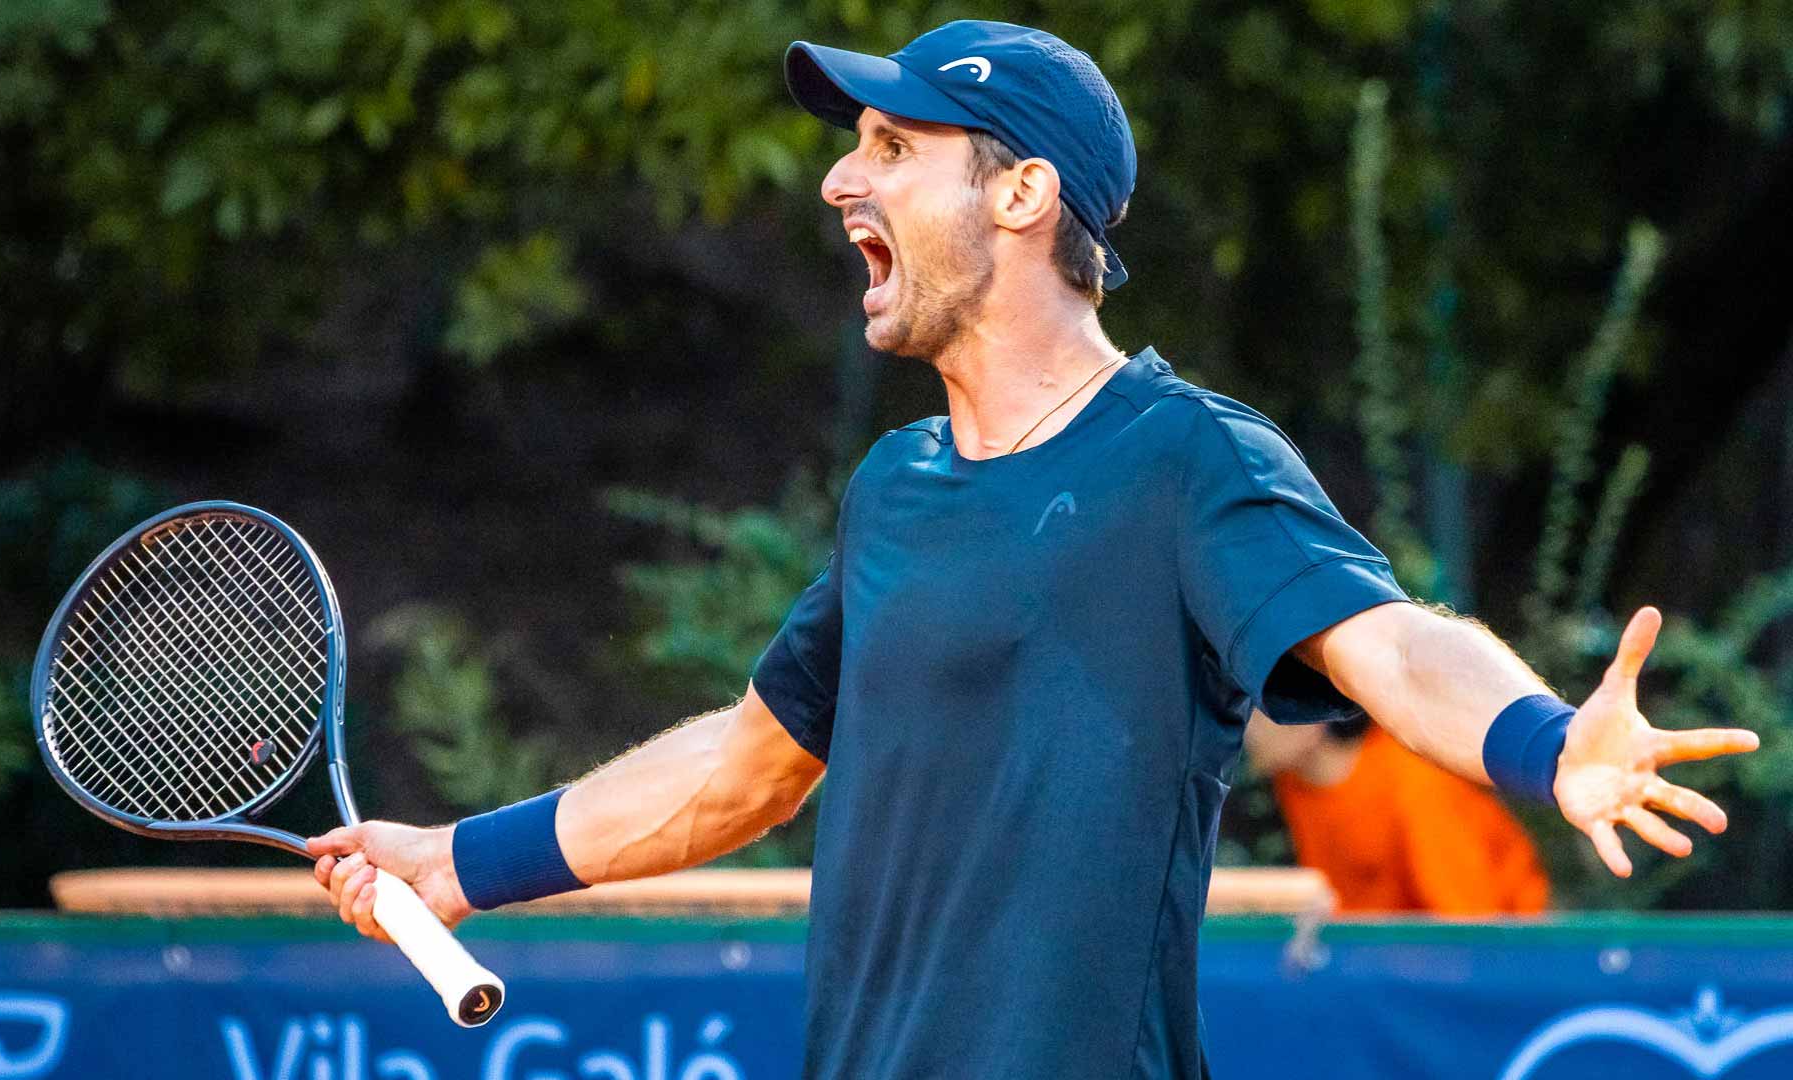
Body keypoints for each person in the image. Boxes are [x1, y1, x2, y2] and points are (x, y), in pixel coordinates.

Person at [306, 20, 1759, 1079]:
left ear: (1021, 195)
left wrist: (1546, 739)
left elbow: (1386, 641)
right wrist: (455, 863)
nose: (837, 181)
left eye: (891, 146)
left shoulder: (1187, 459)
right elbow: (747, 765)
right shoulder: (897, 488)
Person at [1246, 711, 1550, 915]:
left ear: (1310, 715)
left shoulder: (1411, 776)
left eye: (1257, 714)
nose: (1249, 733)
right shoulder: (1294, 784)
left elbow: (1469, 921)